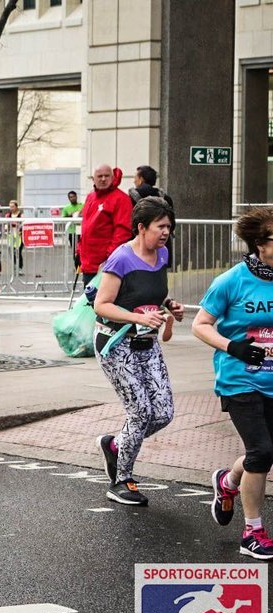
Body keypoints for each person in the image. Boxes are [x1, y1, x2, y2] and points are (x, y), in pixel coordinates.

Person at [191, 207, 273, 560]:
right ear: (260, 244)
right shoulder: (231, 281)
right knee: (262, 453)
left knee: (265, 451)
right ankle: (252, 532)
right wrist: (234, 347)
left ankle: (228, 482)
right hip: (240, 380)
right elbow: (201, 324)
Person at [93, 197, 183, 506]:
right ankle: (121, 480)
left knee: (163, 413)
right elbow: (101, 304)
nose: (165, 232)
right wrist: (138, 317)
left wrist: (170, 305)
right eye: (160, 226)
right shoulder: (121, 258)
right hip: (115, 343)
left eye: (169, 227)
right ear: (141, 227)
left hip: (147, 342)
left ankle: (115, 445)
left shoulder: (162, 255)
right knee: (141, 412)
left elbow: (151, 292)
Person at [78, 164, 133, 285]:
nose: (103, 179)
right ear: (93, 179)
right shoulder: (90, 197)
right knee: (89, 301)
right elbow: (86, 227)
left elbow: (122, 232)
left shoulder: (121, 199)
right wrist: (79, 251)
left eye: (106, 176)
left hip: (107, 265)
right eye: (100, 176)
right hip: (88, 263)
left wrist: (109, 258)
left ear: (112, 177)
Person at [4, 199, 24, 273]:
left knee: (18, 251)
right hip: (11, 235)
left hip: (19, 235)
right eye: (10, 207)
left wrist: (18, 227)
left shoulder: (21, 215)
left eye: (12, 206)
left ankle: (20, 267)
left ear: (16, 207)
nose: (11, 208)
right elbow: (6, 224)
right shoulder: (8, 215)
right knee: (12, 251)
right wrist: (6, 228)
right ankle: (15, 266)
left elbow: (22, 224)